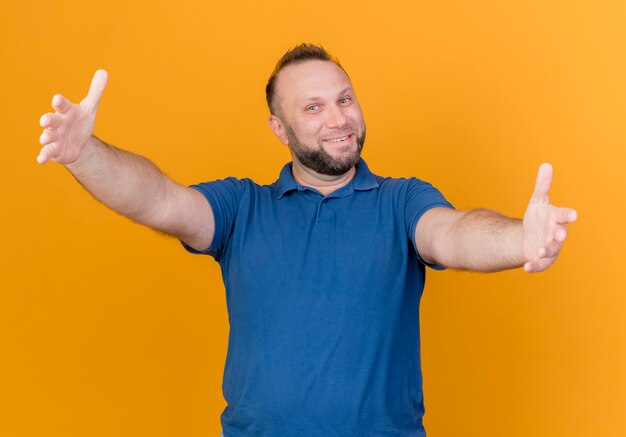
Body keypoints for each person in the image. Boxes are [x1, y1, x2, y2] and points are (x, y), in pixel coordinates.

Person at [37, 44, 577, 437]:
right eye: (313, 107)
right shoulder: (241, 208)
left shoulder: (401, 201)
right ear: (280, 128)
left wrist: (518, 239)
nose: (339, 119)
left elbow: (453, 234)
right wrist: (85, 154)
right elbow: (159, 200)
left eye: (345, 99)